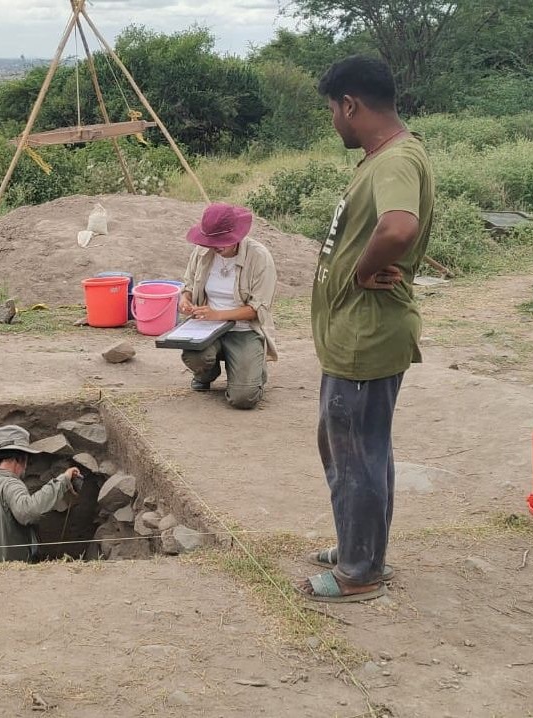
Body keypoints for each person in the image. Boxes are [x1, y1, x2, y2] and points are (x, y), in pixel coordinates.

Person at [298, 56, 435, 603]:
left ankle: (359, 572)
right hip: (357, 336)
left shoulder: (395, 160)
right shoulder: (389, 157)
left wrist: (359, 269)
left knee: (356, 453)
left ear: (350, 105)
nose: (334, 121)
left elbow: (399, 226)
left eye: (333, 110)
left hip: (366, 336)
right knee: (358, 450)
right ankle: (362, 545)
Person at [179, 203, 279, 410]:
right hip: (206, 327)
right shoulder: (202, 252)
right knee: (193, 354)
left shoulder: (259, 257)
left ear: (237, 236)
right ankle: (207, 372)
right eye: (211, 241)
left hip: (244, 330)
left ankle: (252, 370)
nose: (215, 246)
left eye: (221, 242)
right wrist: (185, 300)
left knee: (243, 399)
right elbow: (187, 284)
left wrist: (217, 314)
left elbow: (256, 309)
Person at [0, 425, 82, 564]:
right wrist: (63, 480)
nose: (26, 466)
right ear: (20, 458)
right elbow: (29, 512)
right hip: (9, 577)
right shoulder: (10, 484)